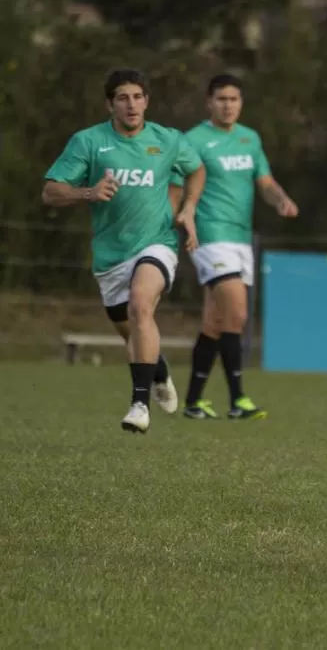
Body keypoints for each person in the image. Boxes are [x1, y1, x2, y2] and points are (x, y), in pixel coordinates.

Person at [42, 67, 206, 433]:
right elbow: (50, 191)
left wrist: (189, 208)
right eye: (122, 97)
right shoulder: (87, 142)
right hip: (110, 256)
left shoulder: (168, 140)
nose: (131, 105)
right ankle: (158, 368)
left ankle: (139, 405)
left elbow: (196, 170)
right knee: (132, 329)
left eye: (137, 97)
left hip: (157, 244)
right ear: (109, 104)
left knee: (140, 304)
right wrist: (88, 192)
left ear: (147, 101)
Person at [179, 73, 298, 421]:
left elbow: (265, 181)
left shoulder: (249, 139)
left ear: (241, 103)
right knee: (238, 313)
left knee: (216, 321)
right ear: (208, 103)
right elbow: (176, 183)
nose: (227, 105)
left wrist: (281, 200)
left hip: (241, 238)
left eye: (233, 99)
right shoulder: (194, 140)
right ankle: (237, 401)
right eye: (221, 99)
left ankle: (193, 402)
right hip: (209, 236)